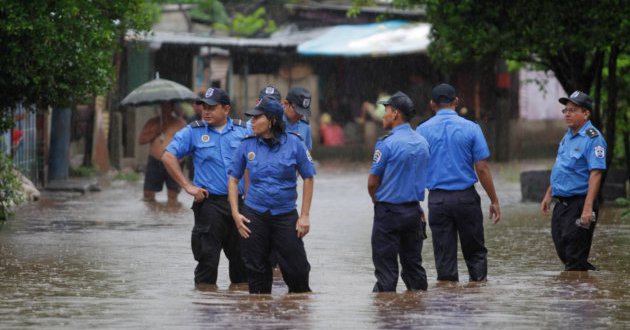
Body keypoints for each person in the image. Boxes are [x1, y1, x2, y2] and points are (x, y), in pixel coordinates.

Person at [161, 87, 249, 287]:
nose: (206, 111)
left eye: (212, 107)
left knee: (243, 263)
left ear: (226, 109)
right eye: (203, 107)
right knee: (207, 261)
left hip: (241, 205)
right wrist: (187, 186)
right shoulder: (194, 132)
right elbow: (168, 156)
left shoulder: (243, 130)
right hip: (209, 205)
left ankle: (241, 310)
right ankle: (206, 310)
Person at [228, 97, 315, 294]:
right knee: (256, 271)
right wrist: (235, 213)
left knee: (297, 270)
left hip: (285, 215)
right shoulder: (246, 145)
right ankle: (261, 317)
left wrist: (305, 215)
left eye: (257, 117)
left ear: (272, 120)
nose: (252, 122)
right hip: (254, 215)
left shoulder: (295, 144)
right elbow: (233, 180)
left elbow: (309, 178)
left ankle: (296, 316)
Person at [416, 83, 501, 283]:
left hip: (437, 201)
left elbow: (417, 170)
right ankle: (478, 296)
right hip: (466, 199)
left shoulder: (421, 131)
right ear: (456, 102)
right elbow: (482, 169)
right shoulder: (472, 128)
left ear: (432, 104)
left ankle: (446, 303)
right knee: (476, 253)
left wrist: (415, 202)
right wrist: (494, 200)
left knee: (444, 257)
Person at [367, 91, 430, 292]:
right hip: (414, 213)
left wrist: (377, 202)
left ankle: (387, 316)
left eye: (385, 111)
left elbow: (372, 182)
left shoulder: (386, 143)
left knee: (386, 272)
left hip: (388, 213)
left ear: (395, 114)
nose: (383, 115)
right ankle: (418, 313)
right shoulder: (423, 142)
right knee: (414, 268)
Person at [540, 91, 606, 271]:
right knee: (563, 250)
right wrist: (548, 193)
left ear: (586, 113)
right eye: (565, 110)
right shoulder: (568, 135)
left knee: (574, 256)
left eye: (573, 110)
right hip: (561, 204)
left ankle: (578, 295)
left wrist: (587, 207)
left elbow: (596, 173)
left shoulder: (594, 138)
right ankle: (586, 283)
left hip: (580, 203)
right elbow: (562, 167)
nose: (567, 114)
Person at [138, 101, 186, 203]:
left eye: (167, 106)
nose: (165, 109)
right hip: (155, 161)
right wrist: (157, 130)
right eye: (163, 106)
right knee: (148, 195)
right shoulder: (152, 122)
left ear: (172, 108)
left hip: (173, 162)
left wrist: (182, 157)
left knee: (173, 196)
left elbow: (188, 143)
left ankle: (171, 215)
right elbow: (141, 140)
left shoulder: (180, 123)